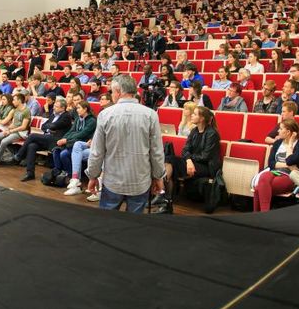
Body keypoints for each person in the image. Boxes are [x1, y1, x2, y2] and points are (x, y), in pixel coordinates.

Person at [86, 75, 165, 213]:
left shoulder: (105, 115)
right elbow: (157, 152)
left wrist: (92, 175)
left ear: (117, 91)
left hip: (113, 180)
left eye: (111, 92)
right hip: (140, 180)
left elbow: (97, 151)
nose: (112, 95)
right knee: (134, 228)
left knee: (106, 225)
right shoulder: (151, 115)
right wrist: (158, 176)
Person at [166, 106, 222, 209]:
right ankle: (166, 200)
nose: (192, 115)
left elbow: (205, 156)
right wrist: (188, 161)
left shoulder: (212, 134)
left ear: (202, 119)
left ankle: (165, 199)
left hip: (206, 167)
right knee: (170, 161)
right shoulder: (194, 131)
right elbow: (185, 150)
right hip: (192, 164)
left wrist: (189, 159)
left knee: (171, 161)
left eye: (195, 114)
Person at [253, 120, 299, 212]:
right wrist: (287, 165)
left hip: (289, 175)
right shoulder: (277, 143)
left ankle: (258, 215)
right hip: (274, 171)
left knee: (259, 188)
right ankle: (263, 216)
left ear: (288, 132)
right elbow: (271, 163)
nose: (278, 131)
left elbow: (292, 160)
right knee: (263, 177)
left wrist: (290, 144)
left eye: (281, 129)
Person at [18, 97, 73, 181]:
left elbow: (54, 126)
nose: (54, 107)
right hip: (48, 138)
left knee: (32, 136)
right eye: (54, 106)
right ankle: (30, 173)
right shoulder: (53, 115)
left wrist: (50, 127)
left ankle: (19, 155)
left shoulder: (66, 116)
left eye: (56, 106)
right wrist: (50, 128)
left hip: (56, 141)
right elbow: (44, 126)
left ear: (63, 108)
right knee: (32, 146)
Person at [57, 101, 98, 195]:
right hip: (79, 145)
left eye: (79, 108)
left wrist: (67, 141)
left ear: (85, 109)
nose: (77, 110)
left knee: (74, 148)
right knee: (63, 153)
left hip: (86, 144)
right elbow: (71, 131)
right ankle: (74, 180)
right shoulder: (78, 119)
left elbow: (82, 134)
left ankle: (76, 180)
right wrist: (64, 138)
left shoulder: (92, 121)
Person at [0, 92, 31, 167]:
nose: (12, 101)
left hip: (21, 133)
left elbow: (23, 127)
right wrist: (7, 130)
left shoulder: (26, 111)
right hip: (13, 131)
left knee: (4, 141)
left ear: (20, 101)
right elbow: (13, 124)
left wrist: (10, 131)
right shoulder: (16, 110)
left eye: (14, 100)